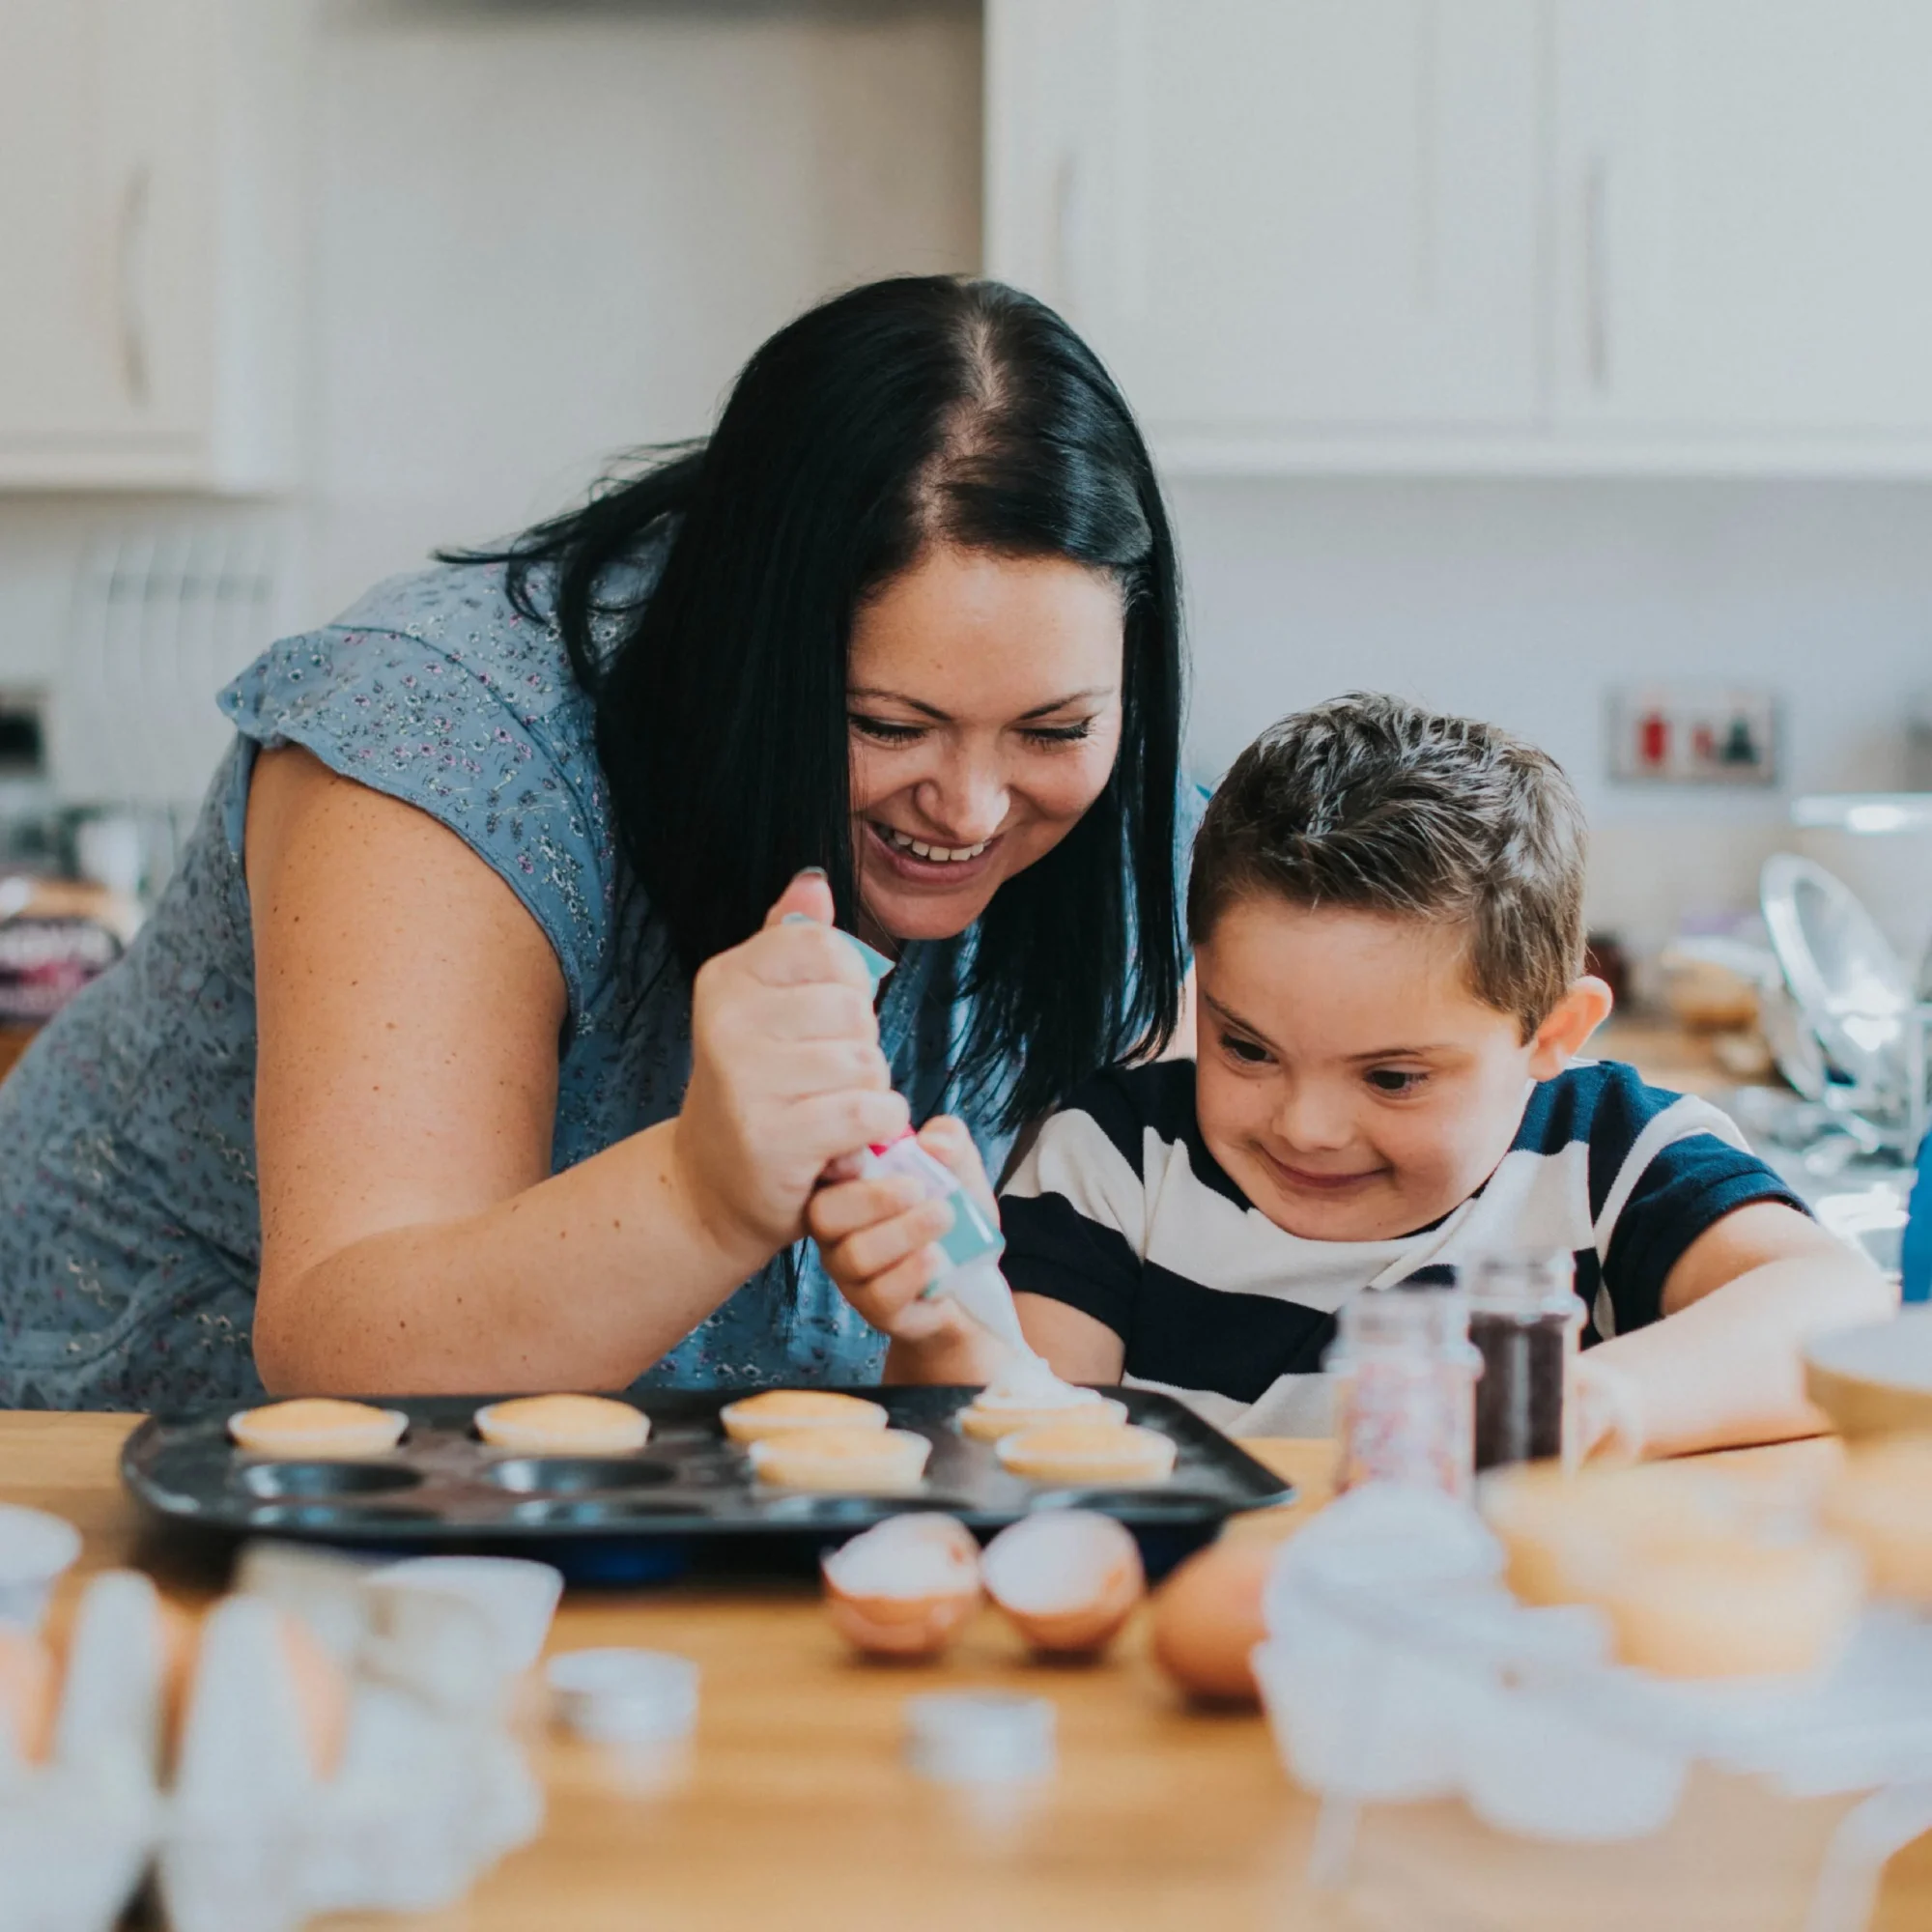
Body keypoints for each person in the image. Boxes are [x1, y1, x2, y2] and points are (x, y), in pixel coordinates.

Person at [0, 275, 1193, 1411]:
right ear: (746, 652)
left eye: (1054, 727)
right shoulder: (446, 736)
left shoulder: (1134, 835)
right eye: (887, 724)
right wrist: (705, 1192)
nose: (973, 808)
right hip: (114, 1470)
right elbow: (345, 1345)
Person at [814, 694, 1895, 1459]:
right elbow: (1012, 1438)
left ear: (1551, 1031)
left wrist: (1599, 1400)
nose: (1307, 1126)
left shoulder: (1604, 1154)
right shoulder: (1112, 1161)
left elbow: (1836, 1307)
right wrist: (943, 1325)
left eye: (1390, 1077)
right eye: (1245, 1047)